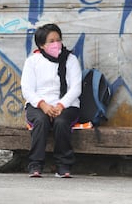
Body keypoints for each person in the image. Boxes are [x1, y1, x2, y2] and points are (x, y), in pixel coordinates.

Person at [21, 23, 82, 178]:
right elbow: (27, 89)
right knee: (41, 121)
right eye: (51, 41)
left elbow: (76, 88)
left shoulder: (71, 60)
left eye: (58, 40)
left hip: (67, 105)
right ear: (42, 45)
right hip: (39, 105)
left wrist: (61, 105)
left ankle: (63, 165)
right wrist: (43, 105)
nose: (56, 44)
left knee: (61, 122)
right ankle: (35, 164)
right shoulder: (32, 61)